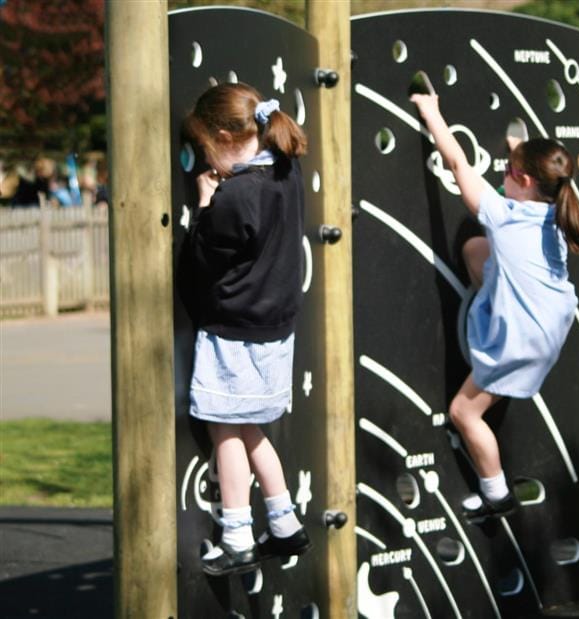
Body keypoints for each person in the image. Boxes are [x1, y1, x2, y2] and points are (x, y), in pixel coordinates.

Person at [411, 94, 579, 522]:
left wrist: (433, 111)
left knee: (464, 412)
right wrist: (517, 152)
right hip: (549, 328)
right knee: (477, 250)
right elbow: (527, 178)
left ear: (525, 181)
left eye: (509, 173)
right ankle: (495, 294)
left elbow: (457, 164)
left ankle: (495, 492)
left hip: (519, 341)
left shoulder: (505, 215)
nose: (503, 179)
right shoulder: (556, 216)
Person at [184, 82, 310, 576]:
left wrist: (204, 204)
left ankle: (236, 536)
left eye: (205, 147)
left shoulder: (236, 193)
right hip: (277, 329)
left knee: (226, 432)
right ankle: (284, 523)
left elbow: (201, 260)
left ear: (220, 136)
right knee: (254, 426)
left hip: (234, 330)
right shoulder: (285, 169)